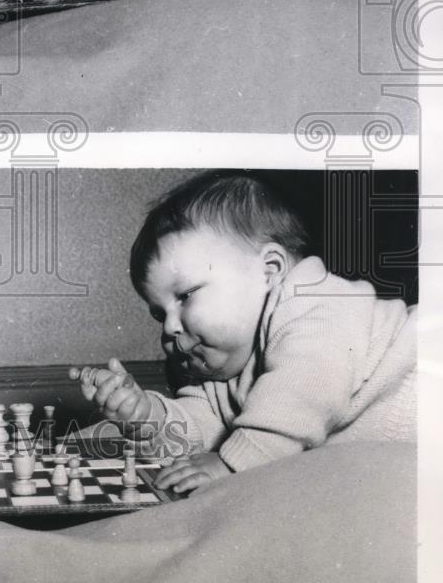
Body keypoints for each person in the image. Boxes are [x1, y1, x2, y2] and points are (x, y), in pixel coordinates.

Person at [71, 171, 416, 495]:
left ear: (270, 270)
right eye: (160, 313)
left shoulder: (313, 301)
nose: (169, 327)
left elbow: (306, 383)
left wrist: (234, 462)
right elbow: (198, 434)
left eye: (186, 295)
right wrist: (147, 416)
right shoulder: (215, 372)